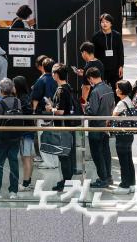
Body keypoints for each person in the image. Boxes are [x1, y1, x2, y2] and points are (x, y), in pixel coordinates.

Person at [46, 63, 80, 192]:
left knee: (64, 155)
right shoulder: (68, 87)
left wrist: (50, 108)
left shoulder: (61, 90)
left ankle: (66, 182)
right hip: (69, 125)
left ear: (56, 75)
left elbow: (60, 111)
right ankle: (67, 180)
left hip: (63, 126)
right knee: (68, 153)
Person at [83, 67, 115, 188]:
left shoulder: (95, 92)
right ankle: (108, 176)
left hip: (96, 127)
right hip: (106, 125)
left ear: (90, 78)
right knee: (106, 152)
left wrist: (86, 107)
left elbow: (93, 111)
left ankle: (102, 178)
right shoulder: (109, 89)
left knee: (97, 154)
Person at [31, 57, 59, 170]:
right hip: (55, 113)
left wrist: (34, 112)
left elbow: (35, 98)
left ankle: (48, 162)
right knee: (54, 138)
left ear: (43, 67)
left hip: (43, 114)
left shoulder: (41, 80)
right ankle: (55, 161)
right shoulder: (56, 80)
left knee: (43, 137)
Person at [111, 80, 137, 195]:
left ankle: (124, 185)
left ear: (121, 90)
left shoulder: (121, 104)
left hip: (121, 135)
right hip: (129, 134)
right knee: (128, 159)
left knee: (123, 160)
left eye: (117, 88)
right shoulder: (129, 101)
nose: (115, 90)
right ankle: (131, 183)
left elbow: (113, 117)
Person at [13, 76, 36, 191]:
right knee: (29, 158)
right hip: (30, 130)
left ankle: (26, 183)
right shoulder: (27, 96)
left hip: (25, 131)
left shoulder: (21, 99)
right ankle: (28, 181)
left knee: (26, 158)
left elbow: (26, 112)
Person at [91, 14, 124, 87]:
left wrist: (121, 65)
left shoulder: (117, 35)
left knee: (116, 89)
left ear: (111, 23)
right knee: (102, 88)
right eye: (102, 22)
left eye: (107, 22)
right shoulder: (96, 37)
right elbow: (94, 54)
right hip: (102, 68)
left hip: (115, 67)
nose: (104, 24)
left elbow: (120, 51)